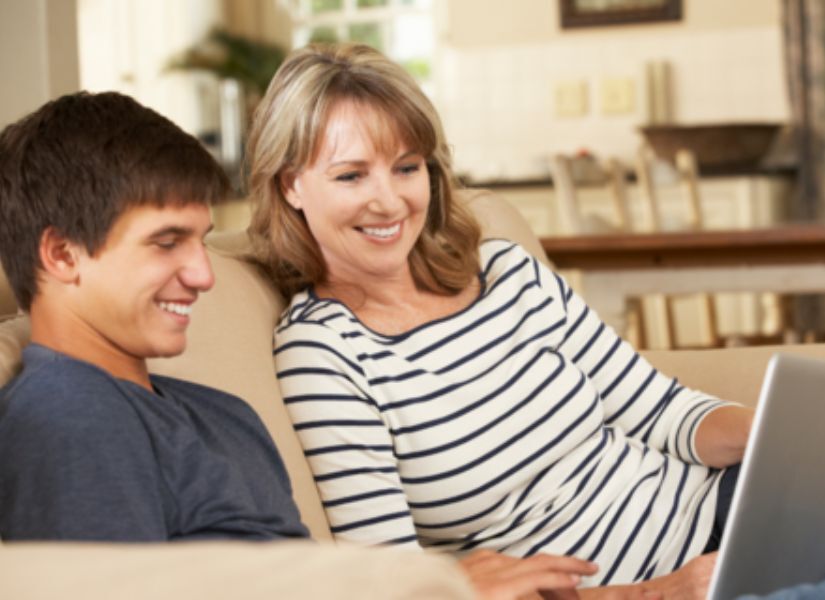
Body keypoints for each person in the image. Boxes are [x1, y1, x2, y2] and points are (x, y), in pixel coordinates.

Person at [246, 42, 825, 599]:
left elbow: (660, 411)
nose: (388, 200)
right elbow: (394, 578)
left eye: (407, 167)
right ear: (290, 187)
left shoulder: (505, 272)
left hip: (732, 501)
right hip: (643, 585)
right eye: (351, 175)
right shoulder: (324, 353)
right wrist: (650, 592)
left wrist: (772, 435)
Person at [0, 91, 614, 600]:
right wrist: (429, 585)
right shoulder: (69, 415)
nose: (204, 275)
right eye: (167, 243)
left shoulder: (215, 412)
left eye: (202, 242)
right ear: (61, 254)